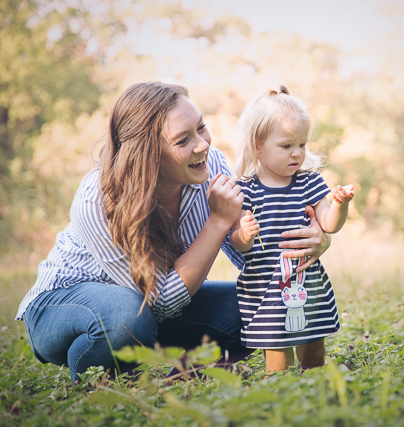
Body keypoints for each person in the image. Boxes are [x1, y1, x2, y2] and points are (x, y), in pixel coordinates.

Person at [16, 82, 332, 382]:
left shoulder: (212, 167)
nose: (203, 144)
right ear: (146, 152)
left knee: (259, 303)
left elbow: (253, 258)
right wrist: (218, 222)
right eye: (183, 140)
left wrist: (316, 239)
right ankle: (93, 381)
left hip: (151, 313)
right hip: (65, 305)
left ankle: (179, 379)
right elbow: (160, 301)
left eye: (201, 127)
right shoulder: (97, 199)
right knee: (127, 316)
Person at [229, 84, 353, 372]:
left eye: (302, 144)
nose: (296, 153)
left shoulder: (308, 182)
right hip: (264, 283)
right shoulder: (245, 190)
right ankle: (280, 390)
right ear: (257, 144)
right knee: (277, 345)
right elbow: (239, 243)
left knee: (313, 344)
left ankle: (313, 379)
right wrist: (244, 234)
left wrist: (340, 204)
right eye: (286, 146)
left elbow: (328, 224)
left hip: (305, 280)